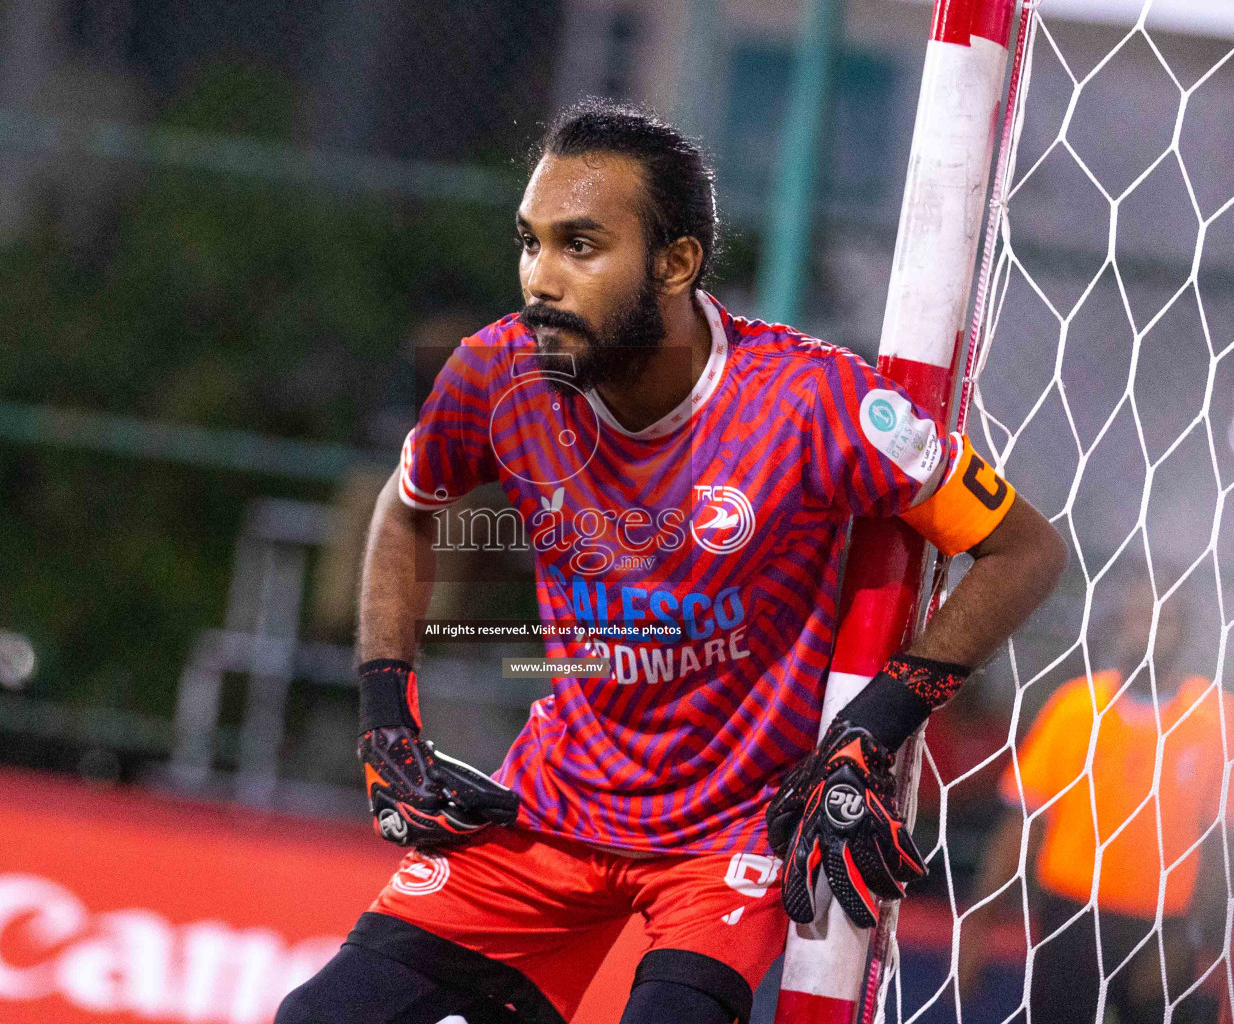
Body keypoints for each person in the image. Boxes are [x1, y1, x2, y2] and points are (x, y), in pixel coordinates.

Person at [277, 99, 1066, 1024]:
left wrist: (871, 730)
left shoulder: (814, 402)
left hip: (725, 839)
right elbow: (405, 509)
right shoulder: (494, 376)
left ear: (677, 262)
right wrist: (386, 717)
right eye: (529, 243)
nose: (541, 278)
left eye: (580, 246)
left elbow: (1024, 550)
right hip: (551, 806)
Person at [959, 584, 1234, 1024]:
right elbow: (1023, 823)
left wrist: (1182, 940)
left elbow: (1220, 845)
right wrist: (977, 929)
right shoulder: (1074, 706)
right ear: (1116, 626)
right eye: (1135, 617)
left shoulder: (1215, 717)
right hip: (1069, 920)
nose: (1145, 631)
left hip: (1160, 929)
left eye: (1160, 620)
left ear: (1184, 632)